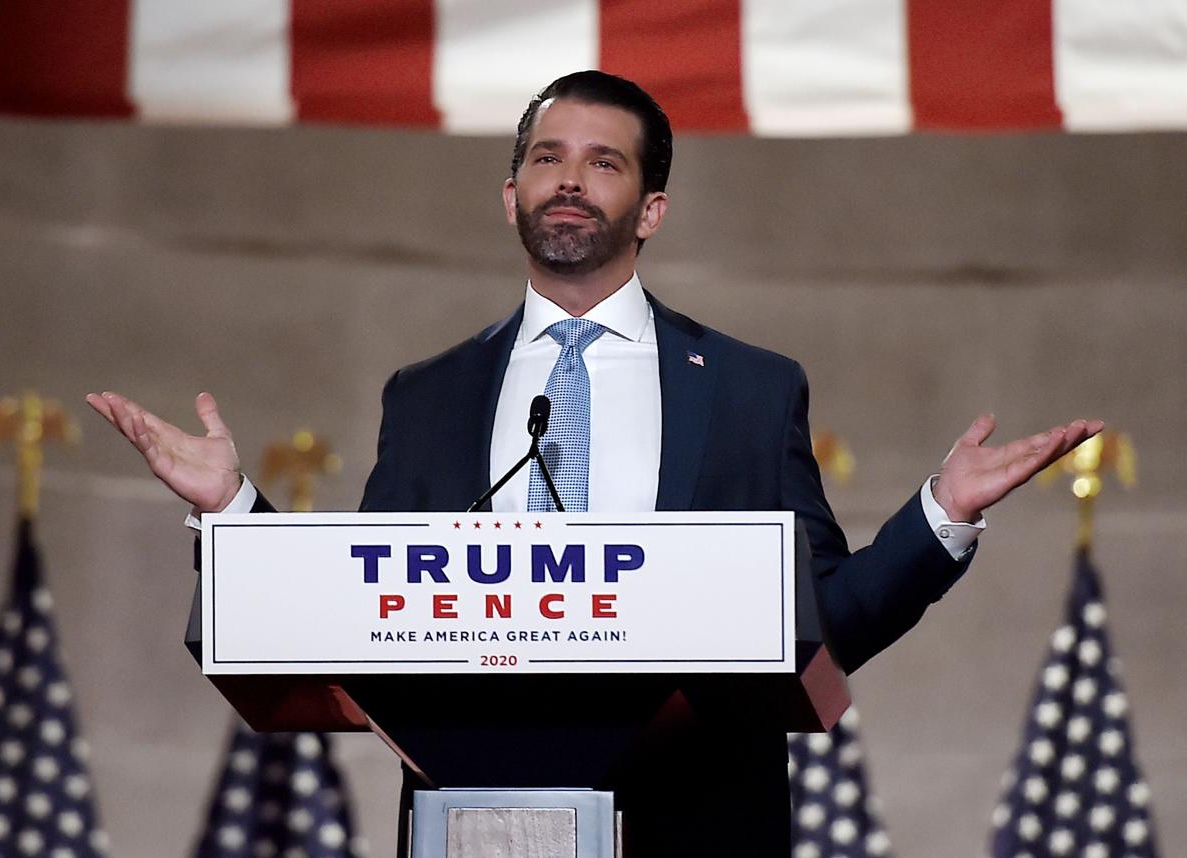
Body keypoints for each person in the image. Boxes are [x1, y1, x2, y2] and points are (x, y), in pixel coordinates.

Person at [88, 71, 1101, 856]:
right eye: (546, 158)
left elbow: (820, 625)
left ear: (650, 209)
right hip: (471, 824)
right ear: (511, 193)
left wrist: (939, 518)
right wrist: (235, 512)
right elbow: (365, 612)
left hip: (697, 821)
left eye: (603, 163)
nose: (568, 179)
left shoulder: (750, 388)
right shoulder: (427, 393)